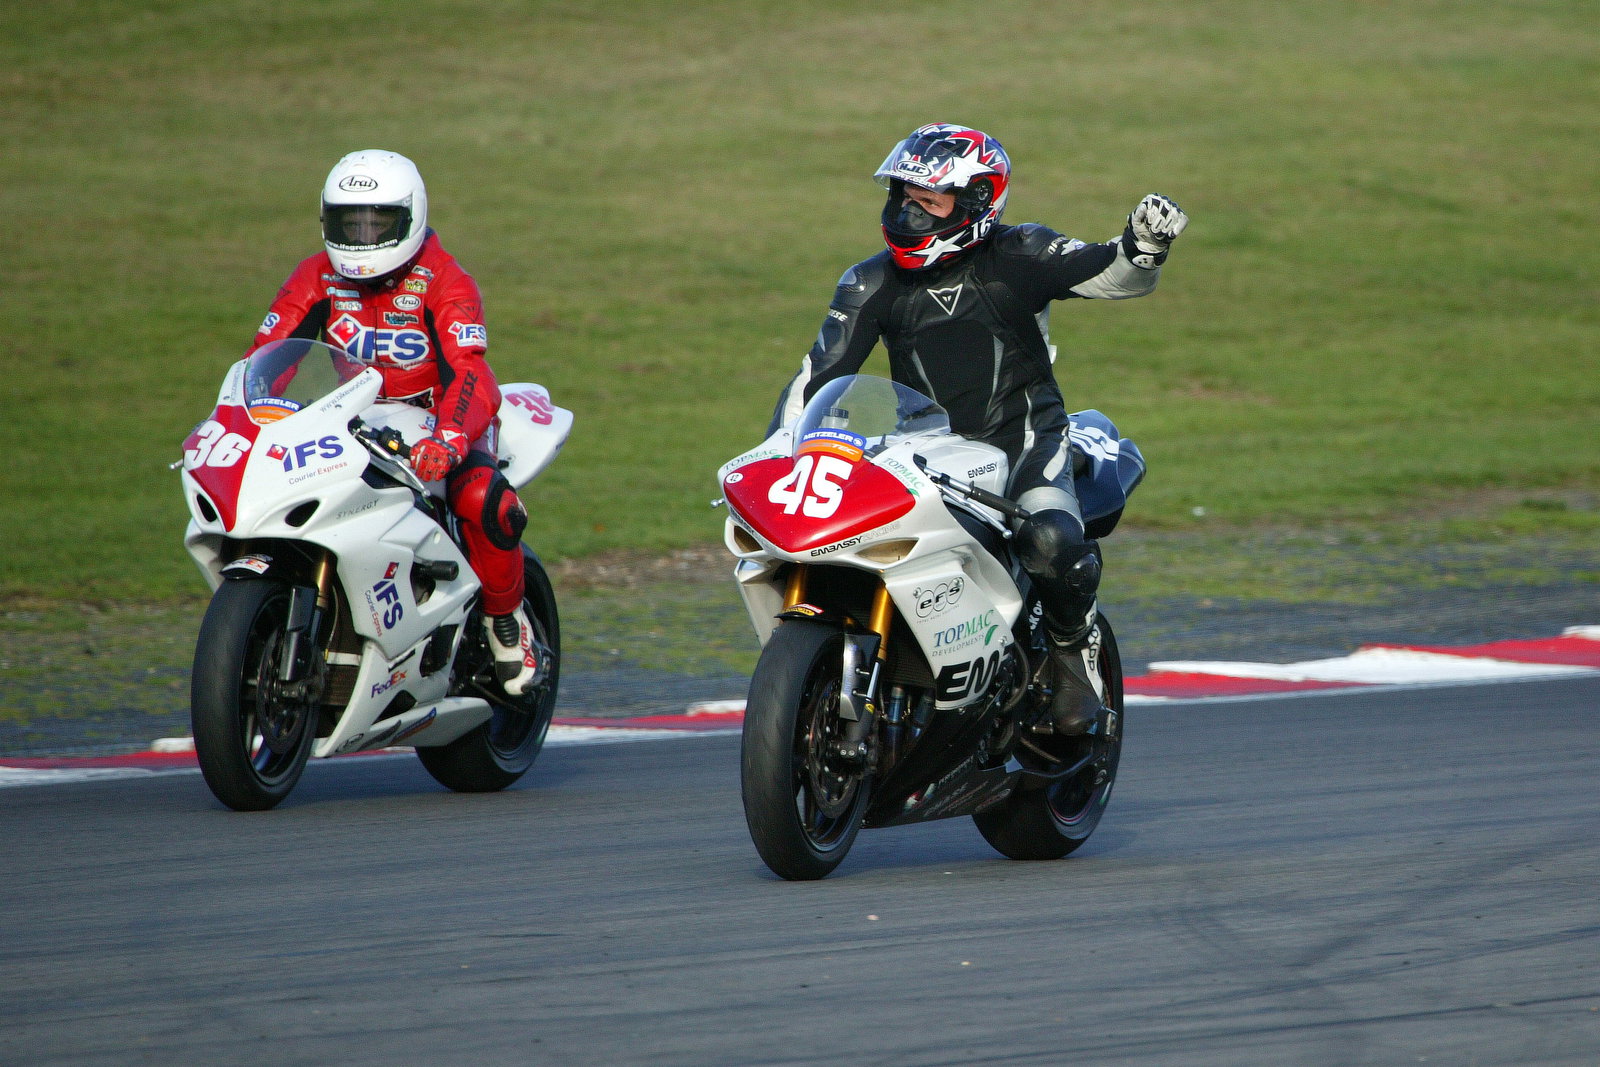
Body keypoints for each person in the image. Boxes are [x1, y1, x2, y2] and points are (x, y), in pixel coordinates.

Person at [770, 123, 1188, 733]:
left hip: (1024, 444)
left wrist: (1141, 247)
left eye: (928, 202)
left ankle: (1075, 654)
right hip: (922, 450)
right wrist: (786, 456)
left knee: (1050, 539)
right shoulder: (871, 282)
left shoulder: (1017, 257)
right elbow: (817, 377)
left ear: (973, 205)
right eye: (903, 198)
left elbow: (1108, 273)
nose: (909, 214)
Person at [248, 149, 542, 696]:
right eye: (348, 222)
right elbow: (268, 356)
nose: (361, 236)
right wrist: (246, 418)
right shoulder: (314, 276)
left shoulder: (446, 280)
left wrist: (450, 439)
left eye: (376, 222)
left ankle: (505, 620)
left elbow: (472, 374)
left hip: (436, 418)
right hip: (344, 419)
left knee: (485, 501)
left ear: (410, 217)